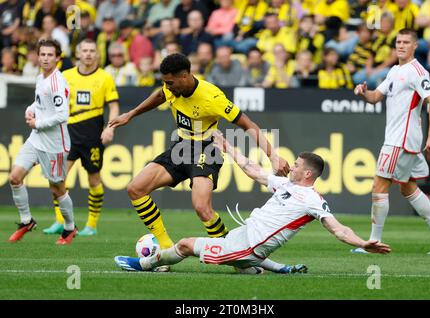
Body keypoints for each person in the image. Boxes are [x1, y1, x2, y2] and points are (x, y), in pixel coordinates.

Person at [108, 53, 290, 272]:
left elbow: (247, 124)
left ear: (185, 76)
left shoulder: (212, 97)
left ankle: (237, 259)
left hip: (207, 149)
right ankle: (165, 249)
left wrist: (273, 155)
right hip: (181, 147)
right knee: (136, 189)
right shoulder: (171, 88)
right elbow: (159, 96)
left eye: (170, 83)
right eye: (165, 83)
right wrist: (131, 114)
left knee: (202, 208)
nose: (167, 87)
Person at [114, 132, 391, 273]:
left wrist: (363, 243)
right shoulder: (287, 184)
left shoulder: (313, 200)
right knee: (244, 261)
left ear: (308, 173)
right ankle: (278, 268)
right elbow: (253, 169)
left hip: (246, 246)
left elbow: (338, 229)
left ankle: (145, 265)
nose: (289, 167)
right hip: (243, 237)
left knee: (186, 244)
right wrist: (226, 146)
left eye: (295, 165)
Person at [353, 28, 430, 254]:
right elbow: (376, 97)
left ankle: (373, 243)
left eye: (406, 42)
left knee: (379, 185)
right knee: (408, 187)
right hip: (401, 139)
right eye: (398, 41)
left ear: (415, 46)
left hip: (401, 140)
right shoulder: (395, 71)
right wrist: (363, 93)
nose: (401, 45)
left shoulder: (417, 71)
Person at [43, 39, 120, 236]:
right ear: (78, 53)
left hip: (93, 137)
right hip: (67, 135)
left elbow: (113, 105)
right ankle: (61, 221)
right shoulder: (65, 76)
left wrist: (110, 128)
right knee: (57, 178)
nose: (88, 54)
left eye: (91, 51)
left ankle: (91, 225)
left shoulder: (105, 78)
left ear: (97, 54)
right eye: (84, 50)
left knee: (94, 180)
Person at [8, 39, 77, 245]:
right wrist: (31, 109)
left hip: (55, 144)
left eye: (50, 55)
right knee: (15, 177)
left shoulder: (57, 82)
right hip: (36, 140)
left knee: (57, 189)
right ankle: (26, 221)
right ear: (38, 56)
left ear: (57, 58)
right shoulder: (41, 77)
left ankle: (70, 227)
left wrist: (37, 122)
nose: (45, 58)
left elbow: (62, 115)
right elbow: (40, 102)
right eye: (42, 54)